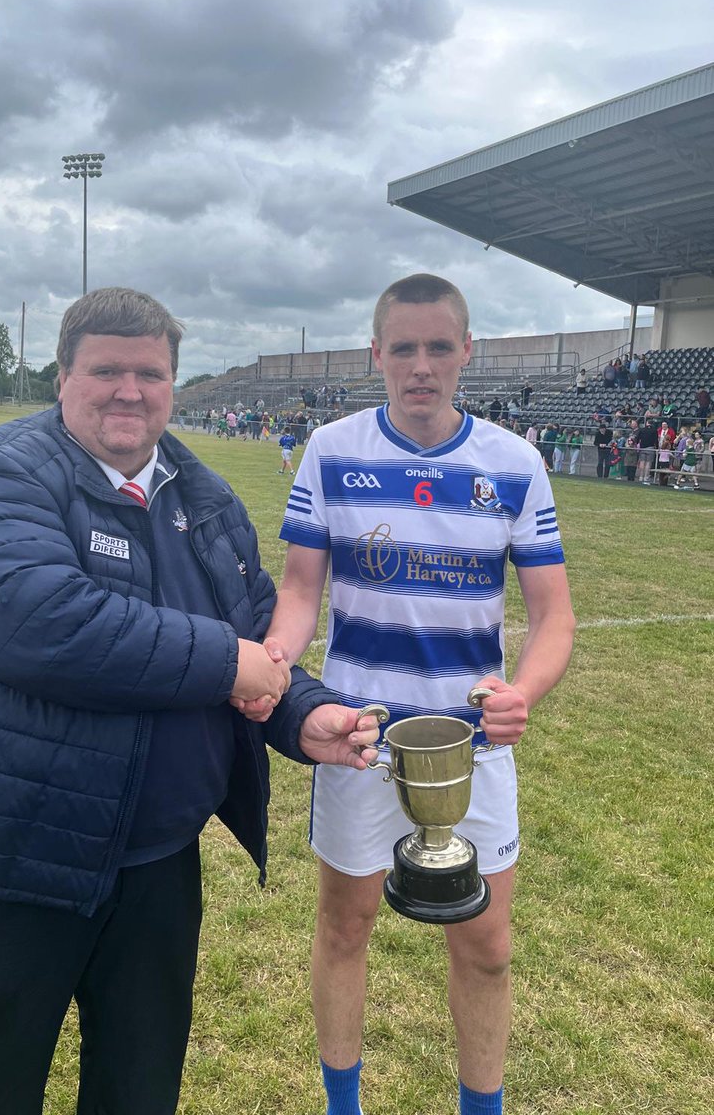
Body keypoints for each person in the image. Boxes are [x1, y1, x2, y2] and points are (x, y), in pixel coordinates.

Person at [0, 289, 380, 1115]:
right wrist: (229, 664)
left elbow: (254, 629)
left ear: (174, 383)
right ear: (63, 376)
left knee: (140, 1086)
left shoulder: (202, 495)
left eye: (150, 373)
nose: (129, 391)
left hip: (157, 857)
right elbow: (41, 624)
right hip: (19, 848)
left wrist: (301, 710)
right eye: (106, 369)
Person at [260, 274, 575, 1115]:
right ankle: (342, 1107)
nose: (422, 366)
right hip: (359, 740)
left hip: (472, 750)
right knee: (345, 929)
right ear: (377, 354)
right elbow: (298, 589)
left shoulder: (514, 463)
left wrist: (525, 694)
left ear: (466, 351)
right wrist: (278, 660)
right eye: (404, 348)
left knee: (487, 949)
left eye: (440, 347)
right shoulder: (332, 449)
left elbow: (554, 619)